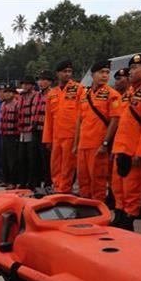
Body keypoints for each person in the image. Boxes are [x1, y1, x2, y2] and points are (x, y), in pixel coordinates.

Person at [109, 54, 141, 232]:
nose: (130, 72)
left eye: (134, 68)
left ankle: (128, 219)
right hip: (121, 146)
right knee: (118, 185)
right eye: (130, 68)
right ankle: (119, 214)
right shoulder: (130, 91)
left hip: (134, 149)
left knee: (132, 188)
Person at [74, 60, 121, 202]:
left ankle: (97, 207)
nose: (105, 75)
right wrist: (76, 144)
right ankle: (85, 205)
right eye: (101, 72)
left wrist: (105, 143)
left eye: (107, 72)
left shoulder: (112, 95)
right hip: (83, 144)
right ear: (93, 75)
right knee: (83, 179)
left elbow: (115, 119)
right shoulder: (84, 94)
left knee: (98, 180)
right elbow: (80, 120)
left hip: (98, 145)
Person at [43, 59, 84, 193]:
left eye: (69, 71)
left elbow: (82, 114)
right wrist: (47, 139)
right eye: (64, 71)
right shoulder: (52, 93)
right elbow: (48, 118)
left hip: (71, 135)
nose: (67, 74)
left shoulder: (79, 89)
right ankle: (57, 187)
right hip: (56, 136)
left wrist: (79, 138)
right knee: (55, 164)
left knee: (68, 165)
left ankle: (64, 189)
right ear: (57, 73)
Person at [33, 71, 53, 187]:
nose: (41, 82)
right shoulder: (37, 96)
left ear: (50, 82)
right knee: (35, 159)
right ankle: (36, 184)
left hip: (46, 131)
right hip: (35, 130)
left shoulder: (52, 95)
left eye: (44, 80)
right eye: (39, 80)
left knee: (46, 159)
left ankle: (48, 184)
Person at [17, 76, 37, 188]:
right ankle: (23, 182)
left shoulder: (36, 96)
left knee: (32, 159)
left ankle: (32, 182)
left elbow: (35, 113)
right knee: (22, 158)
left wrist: (31, 127)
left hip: (31, 131)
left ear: (32, 85)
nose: (24, 86)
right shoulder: (21, 97)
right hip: (22, 132)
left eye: (27, 84)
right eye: (23, 84)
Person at [0, 86, 20, 189]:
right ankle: (5, 180)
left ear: (14, 94)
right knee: (4, 158)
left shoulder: (17, 104)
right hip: (4, 134)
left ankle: (13, 181)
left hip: (13, 135)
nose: (6, 94)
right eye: (5, 92)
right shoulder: (3, 104)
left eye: (9, 92)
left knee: (12, 160)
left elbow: (19, 119)